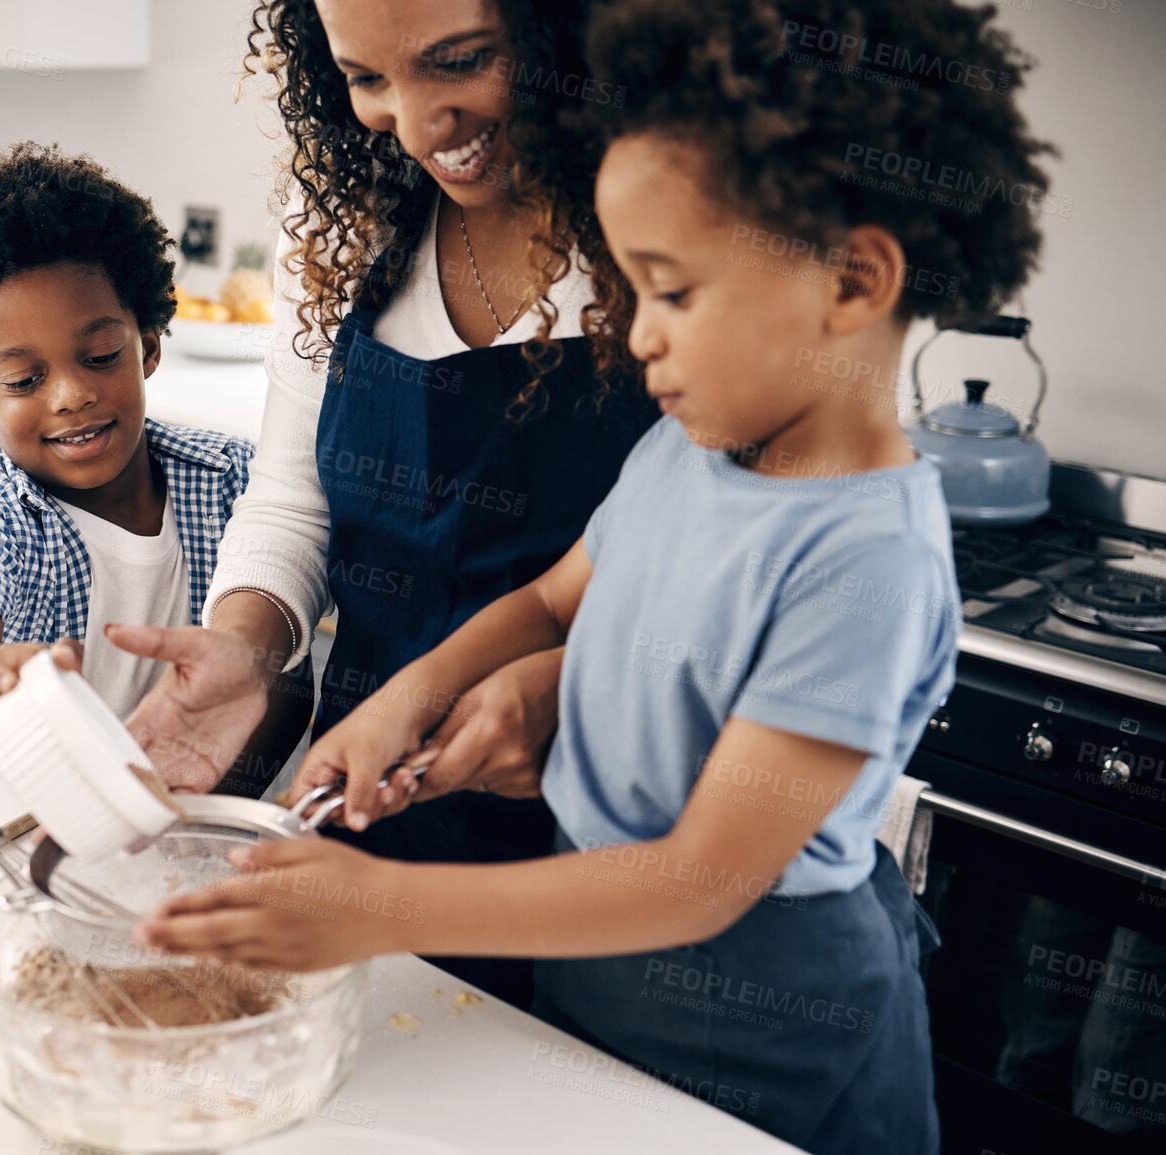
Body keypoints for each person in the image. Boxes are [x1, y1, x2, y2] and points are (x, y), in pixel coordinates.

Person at [136, 1, 1056, 1150]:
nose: (641, 334)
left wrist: (376, 908)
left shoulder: (867, 563)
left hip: (767, 1053)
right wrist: (398, 706)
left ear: (855, 284)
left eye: (669, 291)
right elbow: (552, 598)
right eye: (631, 286)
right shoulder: (689, 449)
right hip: (592, 992)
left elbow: (696, 883)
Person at [103, 0, 659, 1008]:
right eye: (366, 78)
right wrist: (246, 646)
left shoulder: (680, 233)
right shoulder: (342, 216)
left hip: (628, 829)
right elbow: (291, 499)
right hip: (377, 791)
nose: (415, 121)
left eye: (461, 61)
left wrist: (575, 685)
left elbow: (725, 564)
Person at [0, 143, 308, 791]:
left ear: (149, 345)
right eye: (24, 378)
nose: (71, 394)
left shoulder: (230, 480)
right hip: (44, 817)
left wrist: (215, 795)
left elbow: (283, 674)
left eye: (101, 354)